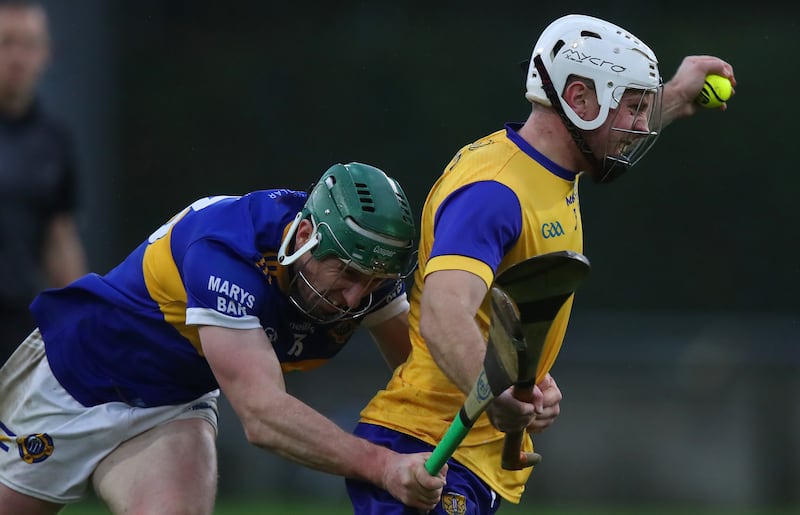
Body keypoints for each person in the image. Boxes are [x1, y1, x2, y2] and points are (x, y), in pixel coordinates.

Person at [347, 14, 737, 514]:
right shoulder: (494, 194)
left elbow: (609, 133)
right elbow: (444, 316)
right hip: (427, 451)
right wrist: (498, 394)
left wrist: (677, 96)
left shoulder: (552, 164)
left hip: (464, 455)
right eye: (635, 108)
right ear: (577, 99)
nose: (641, 126)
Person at [0, 162, 448, 514]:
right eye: (348, 274)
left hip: (171, 403)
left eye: (373, 282)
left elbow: (420, 373)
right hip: (74, 378)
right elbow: (262, 414)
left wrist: (499, 402)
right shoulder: (229, 252)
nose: (355, 298)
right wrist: (384, 467)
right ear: (307, 236)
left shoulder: (367, 275)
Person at [0, 0, 87, 362]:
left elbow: (59, 237)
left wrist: (84, 321)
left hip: (16, 327)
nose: (17, 57)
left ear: (46, 54)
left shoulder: (53, 142)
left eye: (29, 44)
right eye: (6, 42)